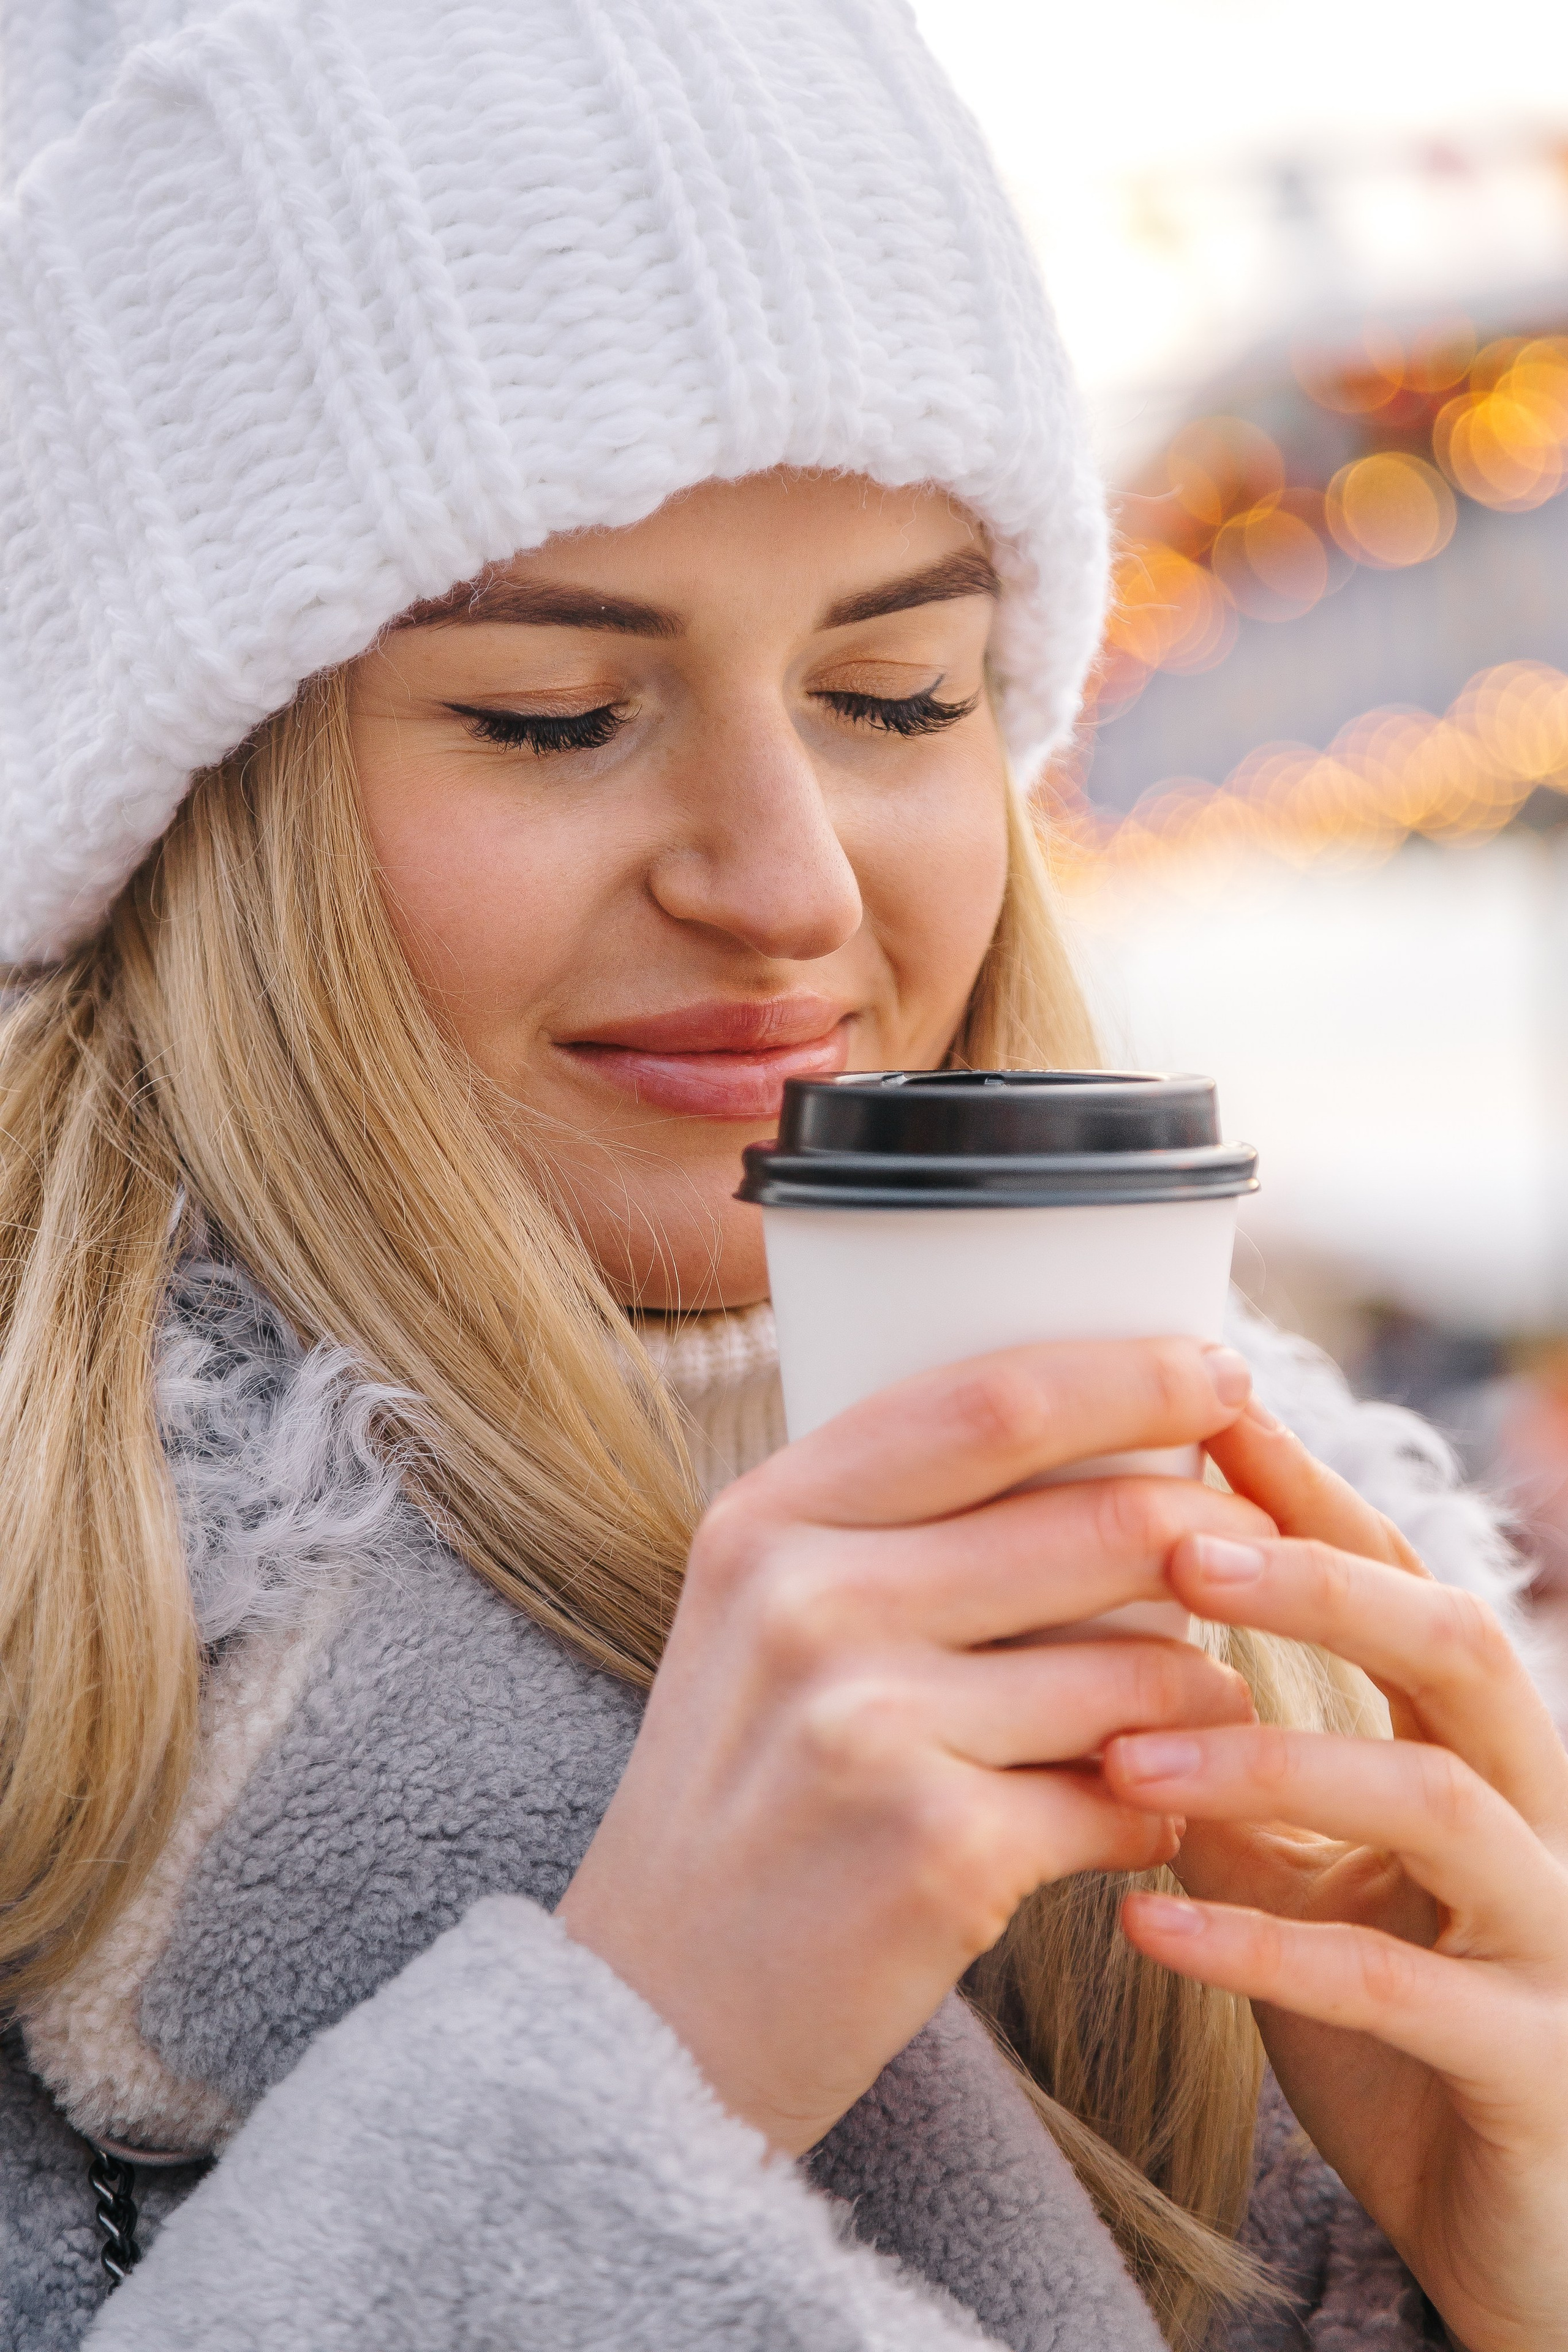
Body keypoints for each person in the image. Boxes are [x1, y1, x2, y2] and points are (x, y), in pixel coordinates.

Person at [0, 5, 1563, 2349]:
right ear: (177, 807)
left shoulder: (1335, 1642)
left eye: (903, 694)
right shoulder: (69, 1660)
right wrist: (641, 2073)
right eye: (551, 712)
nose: (790, 883)